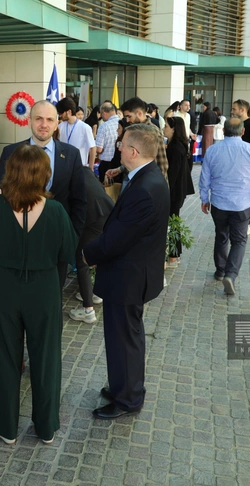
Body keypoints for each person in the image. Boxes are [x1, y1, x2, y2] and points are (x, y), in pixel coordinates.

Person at [0, 144, 78, 445]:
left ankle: (6, 426)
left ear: (10, 173)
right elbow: (70, 251)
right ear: (44, 175)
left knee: (3, 355)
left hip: (5, 286)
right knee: (46, 357)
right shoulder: (55, 210)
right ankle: (45, 427)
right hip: (44, 288)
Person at [84, 124, 170, 419]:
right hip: (130, 274)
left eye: (121, 145)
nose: (117, 147)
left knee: (125, 340)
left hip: (129, 278)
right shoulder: (145, 176)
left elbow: (117, 239)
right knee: (122, 337)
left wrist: (85, 254)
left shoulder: (146, 188)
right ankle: (121, 386)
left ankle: (129, 399)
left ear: (133, 152)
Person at [0, 101, 87, 288]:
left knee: (51, 299)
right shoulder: (11, 152)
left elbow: (79, 201)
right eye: (38, 118)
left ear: (56, 124)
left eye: (49, 120)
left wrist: (71, 239)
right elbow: (1, 198)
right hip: (16, 244)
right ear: (30, 121)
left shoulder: (71, 155)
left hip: (56, 245)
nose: (43, 124)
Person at [199, 118, 250, 294]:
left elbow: (204, 178)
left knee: (221, 236)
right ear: (243, 132)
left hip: (219, 204)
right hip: (242, 205)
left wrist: (204, 198)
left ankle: (220, 271)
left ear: (223, 131)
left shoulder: (212, 151)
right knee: (239, 240)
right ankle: (231, 274)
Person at [68, 167, 114, 324]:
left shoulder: (65, 175)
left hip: (93, 217)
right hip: (108, 212)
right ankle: (96, 293)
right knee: (98, 256)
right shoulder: (84, 170)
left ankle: (88, 310)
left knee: (81, 261)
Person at [163, 116, 194, 266]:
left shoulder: (175, 148)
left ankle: (174, 255)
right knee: (173, 221)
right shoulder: (176, 145)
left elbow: (172, 174)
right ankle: (175, 254)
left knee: (172, 221)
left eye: (166, 127)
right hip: (177, 190)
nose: (164, 129)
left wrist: (165, 192)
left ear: (174, 129)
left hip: (174, 192)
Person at [56, 97, 96, 167]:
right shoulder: (60, 126)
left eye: (61, 113)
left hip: (80, 166)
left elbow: (92, 148)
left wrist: (91, 167)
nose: (60, 115)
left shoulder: (85, 127)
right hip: (64, 166)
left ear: (69, 112)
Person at [95, 102, 122, 178]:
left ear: (104, 113)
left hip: (107, 164)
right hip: (121, 164)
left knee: (106, 188)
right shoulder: (123, 123)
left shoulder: (103, 126)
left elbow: (99, 149)